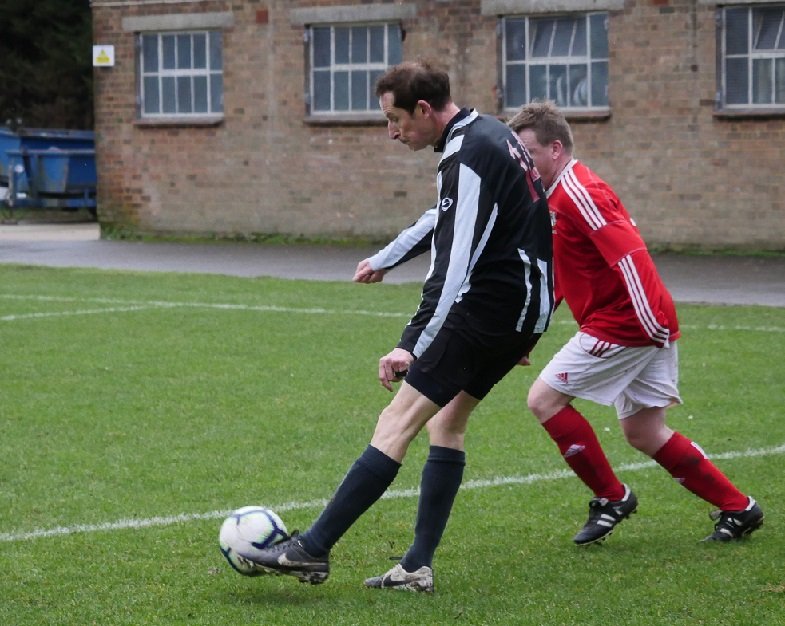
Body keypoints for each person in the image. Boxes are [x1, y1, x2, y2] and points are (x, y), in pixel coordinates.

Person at [351, 100, 765, 591]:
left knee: (543, 399)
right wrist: (532, 327)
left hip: (629, 321)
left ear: (555, 148)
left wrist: (649, 321)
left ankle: (612, 496)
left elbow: (630, 254)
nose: (520, 162)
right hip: (640, 320)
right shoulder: (543, 196)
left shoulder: (579, 190)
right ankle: (739, 508)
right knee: (643, 431)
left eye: (527, 152)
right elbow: (554, 271)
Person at [242, 61, 554, 590]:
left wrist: (411, 344)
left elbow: (453, 268)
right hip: (526, 310)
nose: (393, 133)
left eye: (396, 120)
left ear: (425, 111)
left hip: (490, 307)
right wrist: (389, 256)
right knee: (446, 423)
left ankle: (311, 549)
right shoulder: (489, 134)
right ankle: (415, 567)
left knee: (396, 421)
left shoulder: (468, 155)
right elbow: (447, 219)